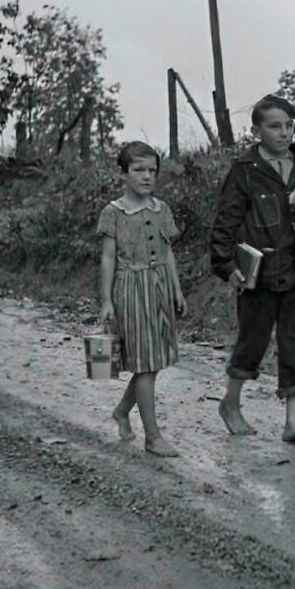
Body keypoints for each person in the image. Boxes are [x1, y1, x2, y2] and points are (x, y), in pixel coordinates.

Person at [209, 94, 295, 448]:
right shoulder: (245, 171)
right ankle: (230, 403)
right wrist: (227, 267)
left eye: (289, 126)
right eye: (275, 126)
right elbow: (224, 224)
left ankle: (294, 423)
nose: (284, 133)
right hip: (258, 276)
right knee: (252, 341)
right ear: (257, 130)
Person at [97, 141, 186, 458]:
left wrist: (175, 288)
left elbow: (168, 252)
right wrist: (106, 300)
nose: (147, 176)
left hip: (159, 288)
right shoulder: (114, 212)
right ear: (123, 174)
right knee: (145, 364)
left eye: (152, 170)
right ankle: (153, 436)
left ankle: (122, 411)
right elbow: (108, 258)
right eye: (139, 170)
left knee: (153, 362)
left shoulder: (162, 210)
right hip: (130, 290)